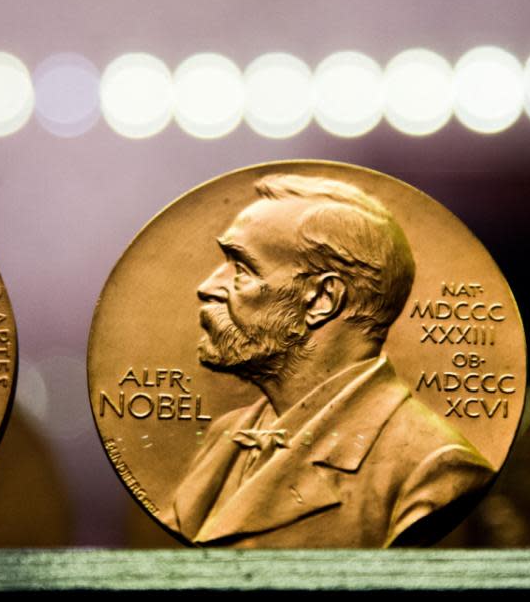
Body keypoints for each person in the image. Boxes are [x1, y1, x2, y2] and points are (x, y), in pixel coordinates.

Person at [162, 174, 495, 547]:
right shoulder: (227, 435)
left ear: (322, 299)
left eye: (241, 269)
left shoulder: (434, 469)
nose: (207, 286)